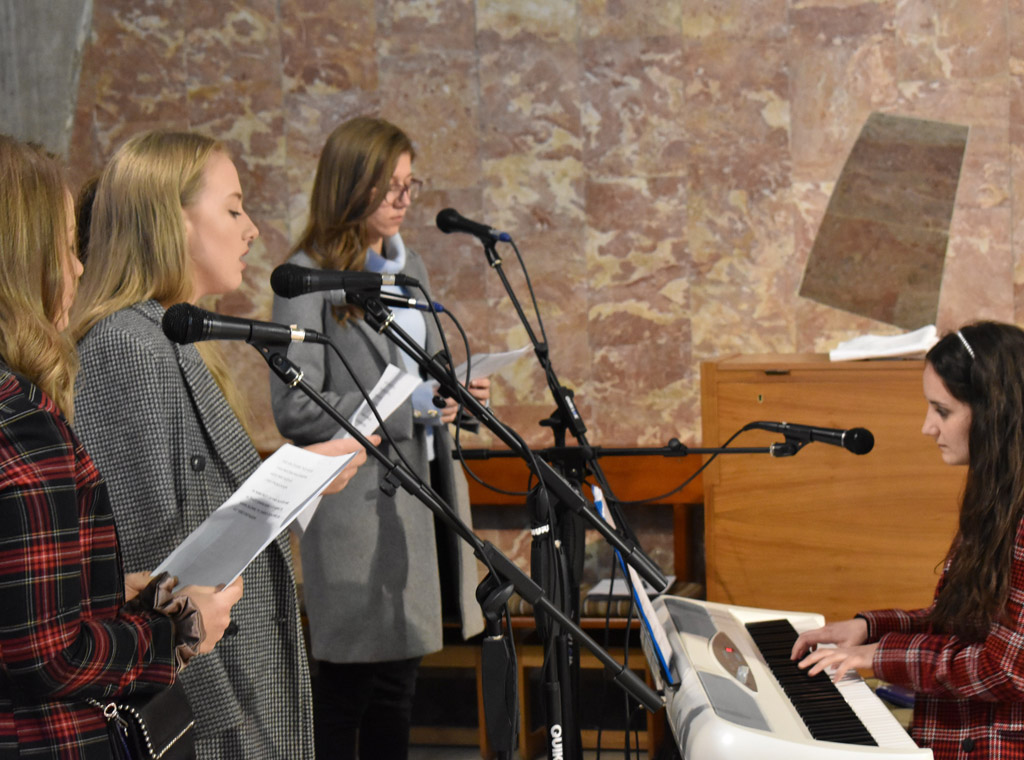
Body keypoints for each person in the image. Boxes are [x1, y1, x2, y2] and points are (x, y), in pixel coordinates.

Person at [68, 130, 369, 759]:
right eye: (233, 209)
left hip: (242, 676)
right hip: (215, 702)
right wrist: (214, 719)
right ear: (170, 220)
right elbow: (150, 554)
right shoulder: (126, 345)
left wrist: (295, 482)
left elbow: (201, 508)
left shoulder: (167, 336)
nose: (252, 229)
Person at [0, 134, 243, 758]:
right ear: (24, 261)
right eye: (65, 247)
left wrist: (110, 594)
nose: (79, 268)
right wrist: (176, 631)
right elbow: (49, 656)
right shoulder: (22, 424)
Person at [271, 115, 487, 759]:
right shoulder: (305, 277)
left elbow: (422, 371)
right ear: (350, 183)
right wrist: (405, 408)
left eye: (409, 184)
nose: (403, 198)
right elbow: (296, 406)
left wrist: (450, 395)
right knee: (347, 696)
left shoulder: (407, 265)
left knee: (398, 691)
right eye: (389, 184)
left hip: (420, 500)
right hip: (354, 508)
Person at [792, 321, 1024, 759]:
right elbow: (971, 623)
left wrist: (878, 657)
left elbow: (1007, 668)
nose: (927, 427)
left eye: (942, 411)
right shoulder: (998, 498)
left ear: (995, 411)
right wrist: (871, 629)